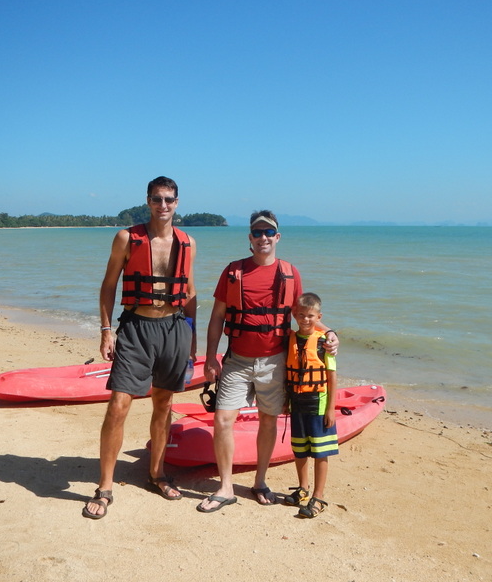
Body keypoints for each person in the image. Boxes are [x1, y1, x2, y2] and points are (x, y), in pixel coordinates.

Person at [197, 210, 338, 513]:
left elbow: (305, 317)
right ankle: (225, 487)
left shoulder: (290, 273)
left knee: (268, 420)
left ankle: (260, 481)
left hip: (275, 360)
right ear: (250, 238)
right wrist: (210, 357)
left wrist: (330, 333)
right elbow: (217, 317)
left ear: (277, 237)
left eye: (269, 232)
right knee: (223, 419)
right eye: (258, 232)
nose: (263, 237)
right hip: (236, 360)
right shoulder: (233, 271)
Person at [83, 176, 197, 520]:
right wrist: (106, 331)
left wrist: (192, 340)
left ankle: (157, 474)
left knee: (164, 403)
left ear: (177, 203)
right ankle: (105, 487)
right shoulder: (127, 238)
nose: (163, 205)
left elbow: (190, 292)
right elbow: (108, 285)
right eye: (157, 199)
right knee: (118, 405)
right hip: (136, 327)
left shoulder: (187, 242)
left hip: (173, 328)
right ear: (148, 201)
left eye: (169, 199)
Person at [282, 292, 338, 518]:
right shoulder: (290, 339)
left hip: (318, 403)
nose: (305, 320)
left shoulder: (325, 343)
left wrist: (331, 409)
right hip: (297, 402)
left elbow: (332, 377)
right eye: (301, 315)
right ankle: (303, 489)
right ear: (295, 315)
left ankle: (319, 496)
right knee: (300, 449)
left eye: (311, 316)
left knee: (320, 451)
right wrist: (286, 401)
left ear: (319, 317)